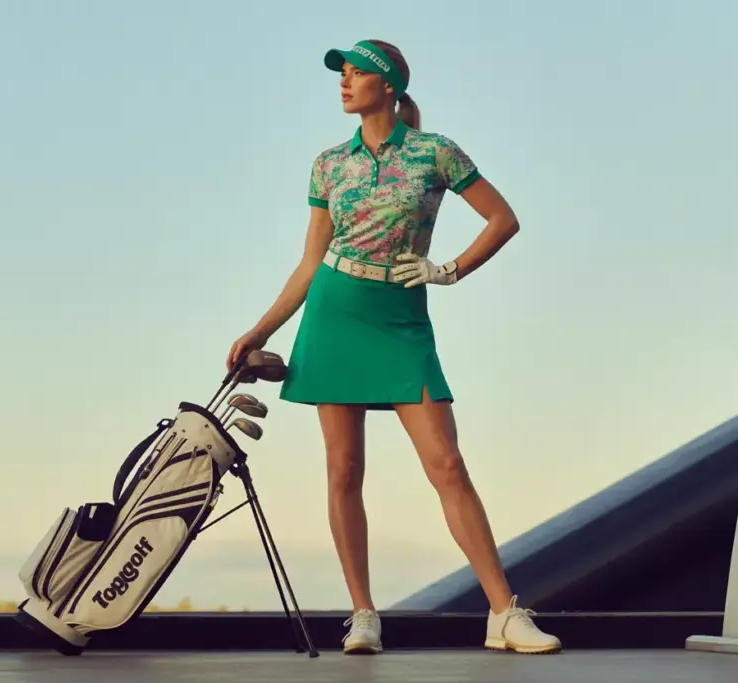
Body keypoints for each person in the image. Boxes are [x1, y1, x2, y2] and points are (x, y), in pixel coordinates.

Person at [226, 39, 561, 656]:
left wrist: (450, 270)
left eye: (356, 74)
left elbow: (502, 218)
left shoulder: (436, 152)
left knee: (447, 465)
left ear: (389, 85)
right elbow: (308, 263)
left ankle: (504, 614)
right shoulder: (329, 163)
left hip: (402, 319)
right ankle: (363, 615)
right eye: (343, 75)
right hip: (335, 312)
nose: (345, 83)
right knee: (343, 469)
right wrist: (262, 328)